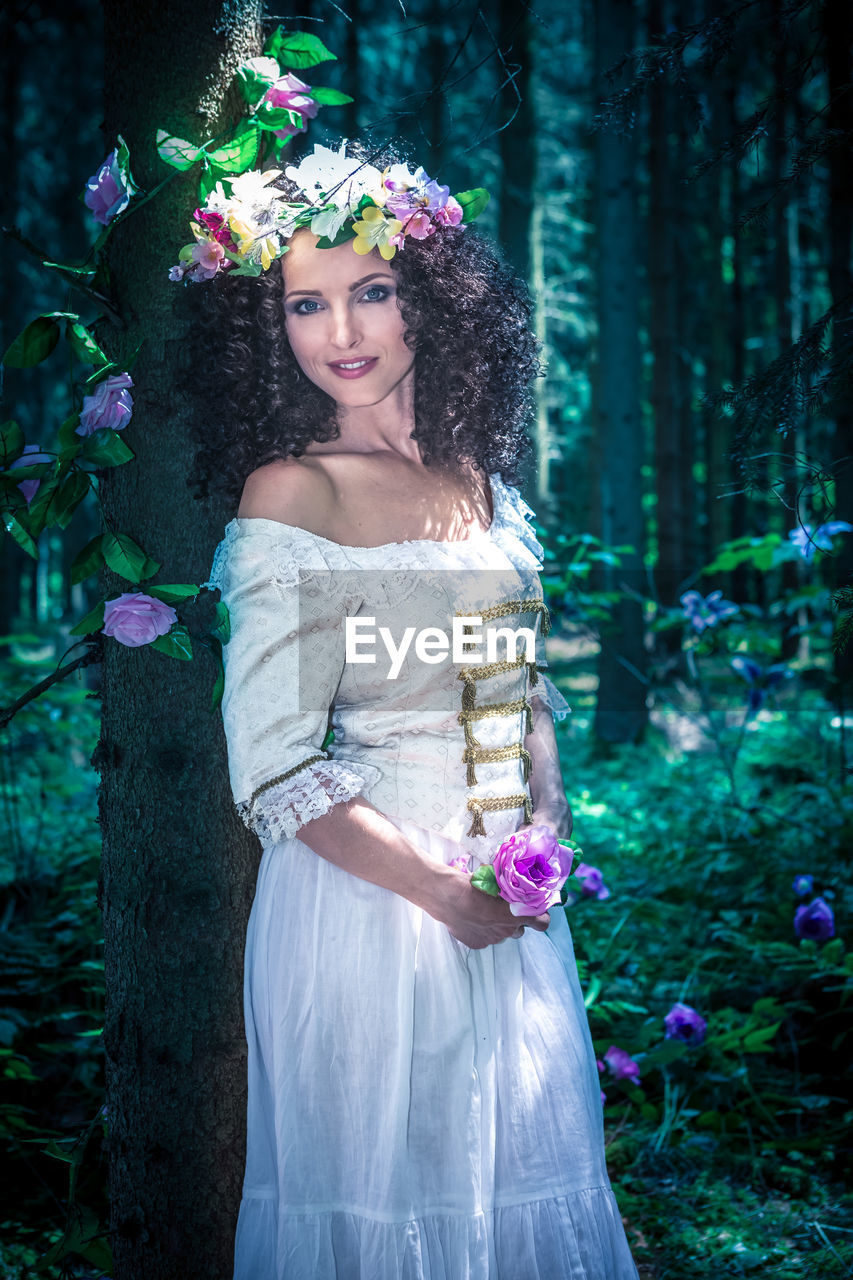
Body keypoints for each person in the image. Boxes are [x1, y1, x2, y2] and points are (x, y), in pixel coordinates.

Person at [194, 139, 641, 1279]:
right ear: (271, 324)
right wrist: (443, 891)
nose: (340, 333)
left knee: (511, 1192)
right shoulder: (297, 489)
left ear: (428, 296)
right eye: (306, 303)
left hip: (506, 901)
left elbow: (520, 683)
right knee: (383, 1208)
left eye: (370, 291)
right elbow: (276, 767)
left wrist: (545, 827)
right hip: (366, 907)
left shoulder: (479, 482)